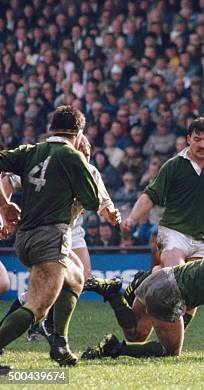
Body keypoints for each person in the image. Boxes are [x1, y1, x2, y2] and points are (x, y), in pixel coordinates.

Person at [120, 117, 204, 327]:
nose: (202, 144)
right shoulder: (173, 166)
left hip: (203, 238)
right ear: (188, 140)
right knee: (176, 280)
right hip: (174, 231)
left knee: (191, 295)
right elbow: (150, 196)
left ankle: (150, 281)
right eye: (197, 139)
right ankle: (167, 339)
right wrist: (132, 219)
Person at [0, 106, 99, 369]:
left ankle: (60, 344)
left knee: (76, 278)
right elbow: (92, 200)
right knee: (37, 307)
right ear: (78, 133)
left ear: (50, 130)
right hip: (51, 236)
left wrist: (4, 204)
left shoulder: (30, 151)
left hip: (25, 237)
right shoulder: (72, 156)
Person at [0, 133, 120, 342]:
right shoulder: (50, 163)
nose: (85, 163)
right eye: (82, 158)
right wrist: (4, 211)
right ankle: (41, 329)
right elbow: (8, 180)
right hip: (45, 230)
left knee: (80, 279)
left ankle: (51, 330)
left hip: (72, 230)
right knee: (45, 290)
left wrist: (111, 213)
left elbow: (103, 203)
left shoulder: (91, 172)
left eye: (88, 158)